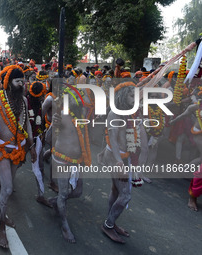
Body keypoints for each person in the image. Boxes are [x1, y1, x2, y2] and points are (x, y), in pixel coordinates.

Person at [0, 65, 36, 248]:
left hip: (19, 149)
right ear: (9, 83)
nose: (21, 84)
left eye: (22, 81)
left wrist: (30, 145)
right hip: (2, 148)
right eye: (18, 81)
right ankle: (1, 228)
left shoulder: (24, 100)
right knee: (7, 189)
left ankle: (0, 212)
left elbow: (27, 124)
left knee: (9, 186)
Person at [98, 82, 148, 244]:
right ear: (122, 96)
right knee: (125, 195)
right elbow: (113, 139)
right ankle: (108, 224)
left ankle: (111, 222)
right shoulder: (114, 114)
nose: (135, 99)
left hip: (122, 157)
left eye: (136, 96)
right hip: (115, 157)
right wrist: (120, 162)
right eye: (131, 95)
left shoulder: (131, 114)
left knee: (116, 190)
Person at [48, 83, 91, 243]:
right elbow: (49, 137)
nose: (81, 101)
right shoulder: (61, 115)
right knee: (64, 193)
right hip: (61, 160)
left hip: (77, 161)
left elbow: (87, 100)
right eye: (77, 99)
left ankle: (56, 201)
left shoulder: (82, 115)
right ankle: (65, 225)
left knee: (78, 192)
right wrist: (54, 123)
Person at [27, 81, 52, 207]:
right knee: (14, 163)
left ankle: (40, 195)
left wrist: (41, 133)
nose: (44, 97)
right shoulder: (25, 102)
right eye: (42, 94)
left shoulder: (40, 103)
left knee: (40, 166)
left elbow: (40, 121)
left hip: (36, 137)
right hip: (23, 138)